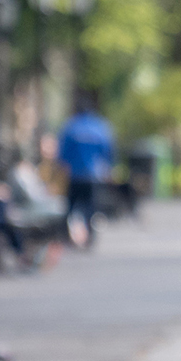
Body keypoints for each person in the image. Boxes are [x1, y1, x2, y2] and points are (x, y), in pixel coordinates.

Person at [58, 92, 114, 248]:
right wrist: (108, 169)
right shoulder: (99, 127)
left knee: (70, 207)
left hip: (74, 175)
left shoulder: (71, 127)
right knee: (90, 207)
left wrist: (63, 167)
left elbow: (62, 154)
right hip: (93, 175)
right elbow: (108, 151)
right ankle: (90, 237)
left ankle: (66, 236)